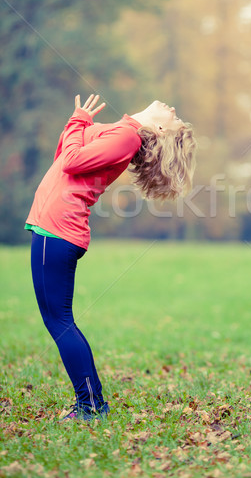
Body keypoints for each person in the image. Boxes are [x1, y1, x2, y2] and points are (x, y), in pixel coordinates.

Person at [25, 94, 197, 421]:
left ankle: (91, 406)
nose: (173, 109)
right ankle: (92, 404)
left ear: (160, 129)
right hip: (56, 228)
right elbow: (64, 156)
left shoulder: (127, 136)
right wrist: (77, 121)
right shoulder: (124, 131)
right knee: (59, 320)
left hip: (57, 229)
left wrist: (78, 123)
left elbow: (71, 162)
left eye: (174, 118)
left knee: (59, 321)